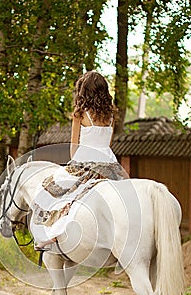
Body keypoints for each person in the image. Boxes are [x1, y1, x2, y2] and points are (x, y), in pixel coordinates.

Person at [31, 70, 129, 250]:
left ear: (84, 91)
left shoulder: (80, 114)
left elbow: (73, 149)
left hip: (85, 163)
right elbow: (107, 144)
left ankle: (51, 236)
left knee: (52, 188)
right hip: (110, 164)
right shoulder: (111, 116)